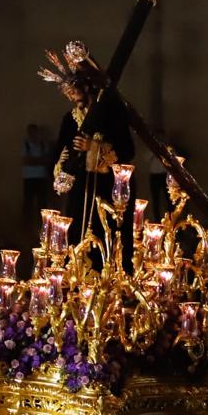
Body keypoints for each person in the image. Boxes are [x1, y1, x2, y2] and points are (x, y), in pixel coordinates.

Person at [48, 56, 135, 261]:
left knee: (106, 236)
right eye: (68, 93)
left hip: (106, 188)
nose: (72, 96)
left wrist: (93, 148)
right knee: (76, 236)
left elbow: (127, 150)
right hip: (80, 189)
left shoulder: (110, 115)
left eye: (74, 90)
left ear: (86, 87)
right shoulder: (69, 120)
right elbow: (60, 151)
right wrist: (61, 164)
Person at [21, 123, 51, 221]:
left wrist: (34, 160)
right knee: (28, 203)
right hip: (29, 178)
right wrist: (40, 160)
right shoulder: (25, 145)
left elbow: (47, 160)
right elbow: (26, 161)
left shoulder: (43, 145)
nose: (33, 134)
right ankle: (27, 225)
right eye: (31, 132)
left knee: (42, 203)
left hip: (41, 178)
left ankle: (42, 224)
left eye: (34, 132)